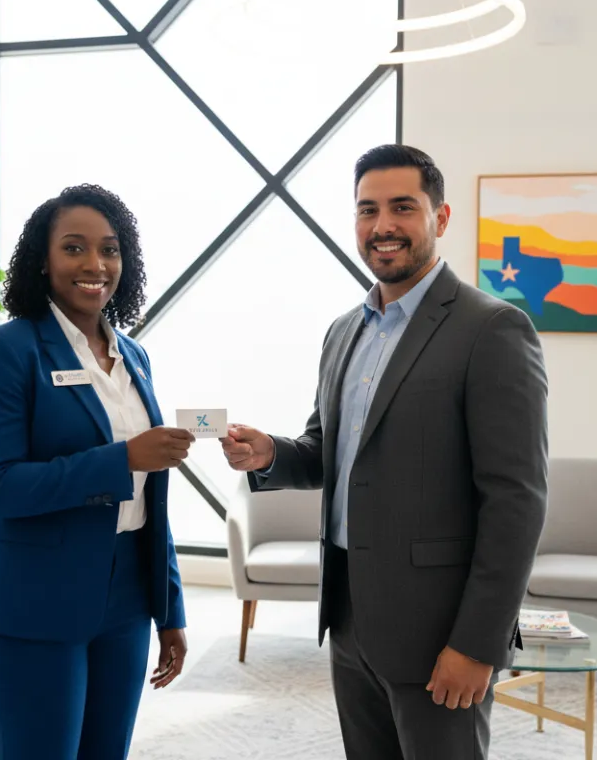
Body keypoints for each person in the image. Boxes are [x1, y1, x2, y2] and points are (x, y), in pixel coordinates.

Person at [219, 145, 548, 759]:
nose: (382, 225)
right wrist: (268, 454)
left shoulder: (492, 329)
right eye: (367, 209)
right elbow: (327, 451)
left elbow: (516, 502)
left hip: (439, 631)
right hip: (349, 619)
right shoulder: (344, 331)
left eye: (403, 207)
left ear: (441, 218)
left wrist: (478, 645)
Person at [0, 183, 194, 760]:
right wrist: (123, 459)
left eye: (110, 249)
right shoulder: (7, 351)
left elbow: (149, 500)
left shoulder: (133, 356)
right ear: (43, 260)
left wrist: (169, 609)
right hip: (32, 599)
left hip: (127, 598)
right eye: (74, 248)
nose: (95, 265)